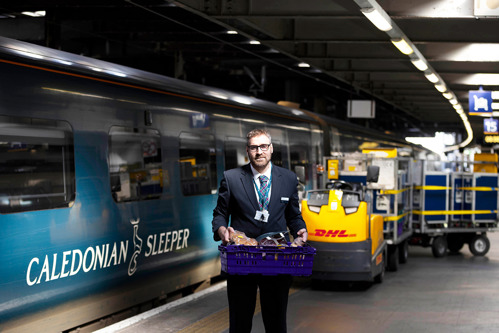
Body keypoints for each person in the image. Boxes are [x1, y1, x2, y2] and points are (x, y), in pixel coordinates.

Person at [212, 128, 308, 333]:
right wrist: (222, 230)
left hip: (277, 259)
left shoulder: (289, 179)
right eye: (254, 147)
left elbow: (293, 215)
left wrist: (300, 230)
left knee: (276, 322)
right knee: (240, 322)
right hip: (242, 258)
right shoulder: (231, 178)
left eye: (263, 146)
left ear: (271, 149)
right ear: (247, 150)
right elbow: (220, 213)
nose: (259, 152)